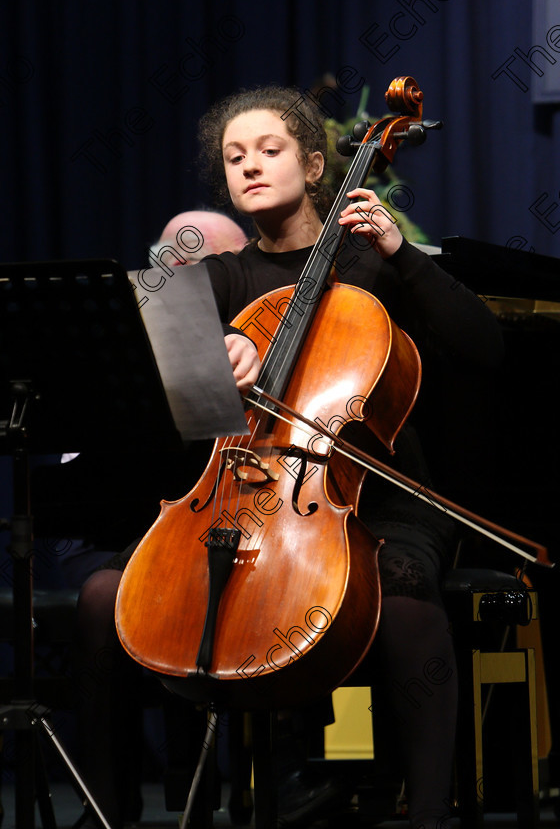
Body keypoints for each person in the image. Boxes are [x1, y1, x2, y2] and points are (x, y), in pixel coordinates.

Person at [79, 86, 503, 829]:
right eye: (234, 157)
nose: (249, 167)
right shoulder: (224, 279)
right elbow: (145, 335)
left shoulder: (373, 265)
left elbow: (484, 348)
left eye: (269, 151)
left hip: (370, 496)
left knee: (403, 608)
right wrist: (208, 352)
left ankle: (429, 814)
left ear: (314, 166)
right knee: (101, 597)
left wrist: (402, 254)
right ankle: (108, 811)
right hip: (241, 492)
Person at [71, 210, 247, 829]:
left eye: (207, 271)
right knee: (101, 596)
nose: (184, 282)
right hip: (138, 526)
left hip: (242, 523)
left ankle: (266, 784)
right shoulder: (119, 337)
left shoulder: (262, 326)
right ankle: (107, 800)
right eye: (172, 266)